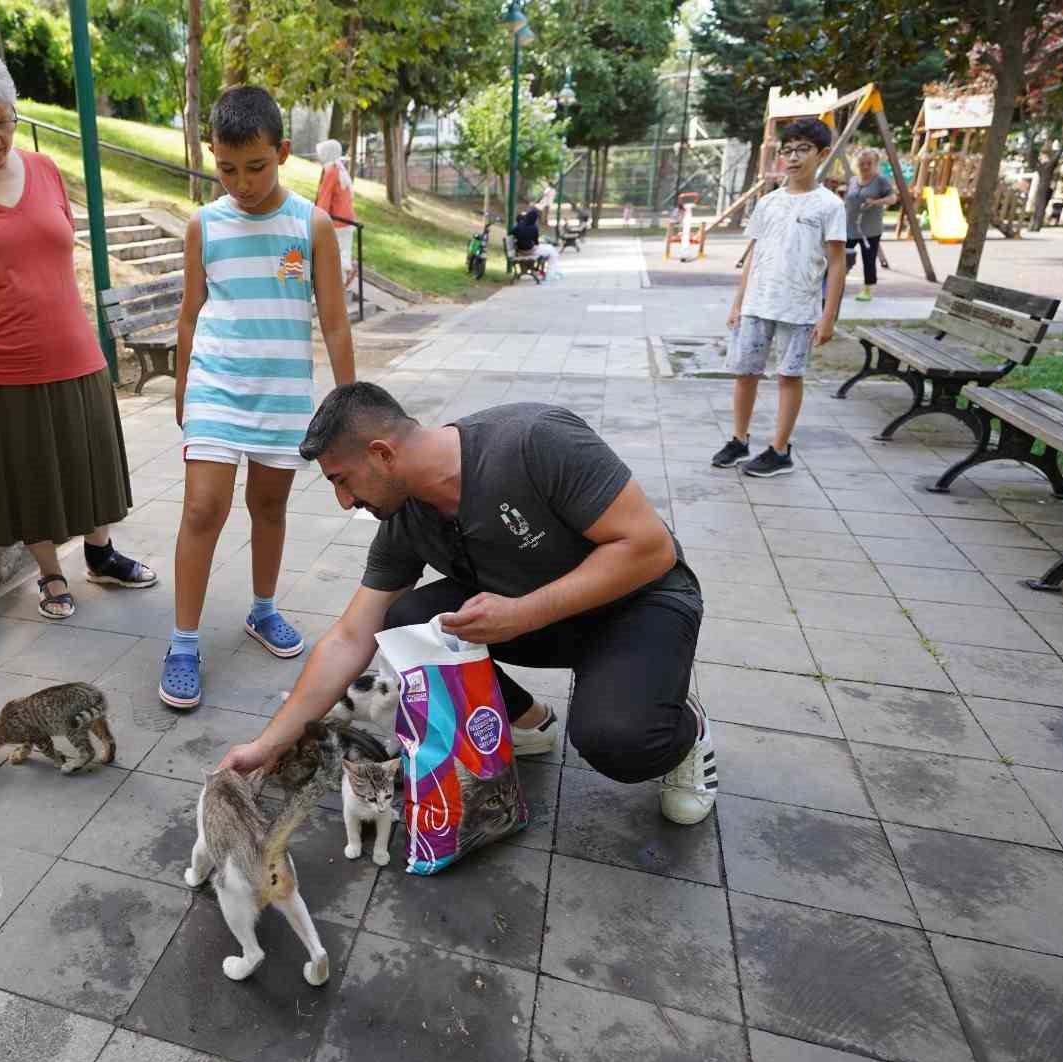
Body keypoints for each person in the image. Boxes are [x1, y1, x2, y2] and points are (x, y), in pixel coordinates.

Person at [217, 383, 716, 825]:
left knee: (618, 741)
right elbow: (351, 636)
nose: (344, 502)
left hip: (639, 603)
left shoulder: (534, 439)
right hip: (541, 613)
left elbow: (651, 548)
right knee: (408, 618)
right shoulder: (406, 518)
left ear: (382, 453)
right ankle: (529, 722)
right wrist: (267, 745)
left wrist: (522, 613)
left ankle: (683, 729)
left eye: (341, 480)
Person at [0, 44, 156, 621]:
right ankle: (49, 572)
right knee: (27, 473)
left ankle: (100, 554)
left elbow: (54, 252)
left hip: (69, 346)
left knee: (85, 460)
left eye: (4, 123)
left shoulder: (45, 170)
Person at [160, 86, 357, 710]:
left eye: (255, 167)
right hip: (219, 383)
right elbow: (190, 314)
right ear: (211, 156)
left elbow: (333, 322)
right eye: (225, 168)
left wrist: (348, 406)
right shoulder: (204, 225)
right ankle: (183, 642)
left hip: (282, 392)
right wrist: (183, 384)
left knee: (269, 507)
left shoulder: (310, 224)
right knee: (203, 508)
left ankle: (263, 610)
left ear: (282, 153)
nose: (241, 183)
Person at [711, 117, 847, 479]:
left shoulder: (829, 206)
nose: (793, 157)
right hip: (758, 302)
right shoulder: (768, 203)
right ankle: (739, 440)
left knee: (789, 375)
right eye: (787, 150)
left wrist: (829, 315)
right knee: (745, 373)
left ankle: (780, 450)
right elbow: (753, 253)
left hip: (799, 306)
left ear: (822, 154)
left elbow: (836, 265)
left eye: (803, 150)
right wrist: (738, 301)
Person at [844, 148, 896, 302]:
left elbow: (893, 198)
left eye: (869, 163)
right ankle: (835, 284)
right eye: (862, 163)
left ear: (875, 164)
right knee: (841, 257)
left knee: (869, 259)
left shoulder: (881, 180)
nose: (865, 166)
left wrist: (876, 202)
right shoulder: (853, 180)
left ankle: (867, 289)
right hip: (850, 227)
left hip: (870, 230)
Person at [313, 138, 357, 287]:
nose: (319, 157)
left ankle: (340, 282)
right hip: (347, 219)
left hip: (338, 221)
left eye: (321, 153)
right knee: (343, 250)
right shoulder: (340, 169)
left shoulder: (330, 171)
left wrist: (316, 218)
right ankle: (345, 276)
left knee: (333, 252)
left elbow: (324, 198)